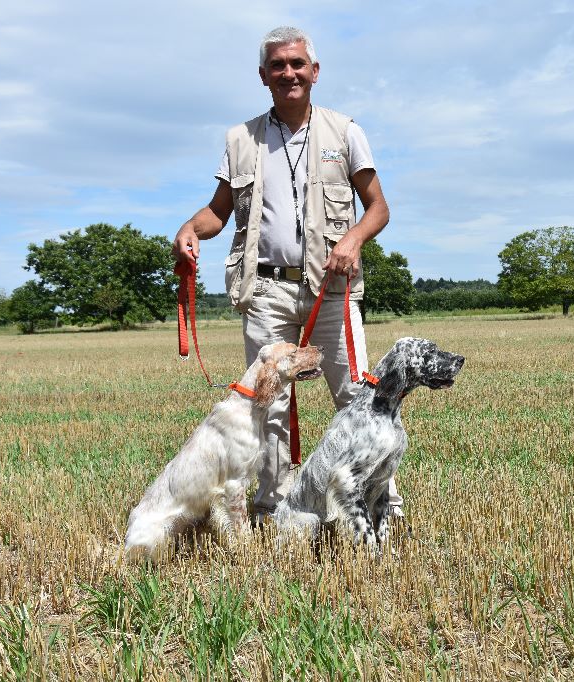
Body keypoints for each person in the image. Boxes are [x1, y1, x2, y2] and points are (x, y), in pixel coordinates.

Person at [171, 26, 402, 524]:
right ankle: (273, 511)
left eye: (297, 63)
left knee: (359, 399)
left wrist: (354, 238)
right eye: (278, 65)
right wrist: (191, 229)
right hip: (267, 289)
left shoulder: (344, 132)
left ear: (314, 72)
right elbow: (218, 211)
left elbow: (378, 208)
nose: (289, 73)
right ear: (263, 76)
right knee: (268, 406)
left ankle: (379, 506)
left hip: (332, 290)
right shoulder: (240, 139)